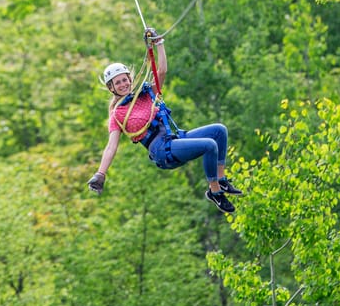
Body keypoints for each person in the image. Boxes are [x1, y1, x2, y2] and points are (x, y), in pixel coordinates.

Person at [88, 28, 242, 213]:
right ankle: (215, 192)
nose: (123, 84)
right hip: (162, 151)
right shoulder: (118, 114)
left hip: (175, 139)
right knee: (209, 145)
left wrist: (159, 44)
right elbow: (111, 147)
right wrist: (100, 173)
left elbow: (161, 70)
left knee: (219, 130)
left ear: (130, 78)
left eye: (124, 80)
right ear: (111, 88)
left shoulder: (146, 93)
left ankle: (221, 180)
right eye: (118, 83)